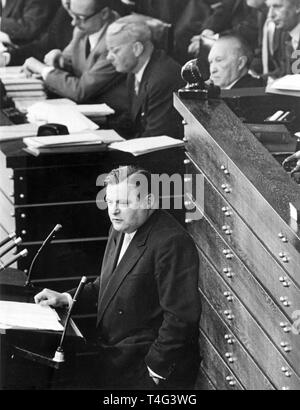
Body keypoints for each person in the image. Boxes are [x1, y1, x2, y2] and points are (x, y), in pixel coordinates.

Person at [34, 165, 201, 390]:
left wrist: (154, 370)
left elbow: (180, 317)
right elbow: (111, 284)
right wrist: (66, 298)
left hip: (144, 368)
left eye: (123, 203)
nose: (113, 211)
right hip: (115, 358)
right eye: (110, 202)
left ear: (149, 201)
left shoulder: (170, 242)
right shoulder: (120, 228)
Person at [22, 0, 128, 112]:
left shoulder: (115, 42)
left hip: (114, 117)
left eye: (81, 17)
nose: (74, 23)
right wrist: (58, 60)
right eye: (73, 15)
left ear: (104, 13)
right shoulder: (82, 30)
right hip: (85, 107)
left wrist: (42, 69)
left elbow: (80, 91)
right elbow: (68, 61)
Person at [105, 18, 185, 139]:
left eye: (115, 50)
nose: (108, 57)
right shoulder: (134, 70)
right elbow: (133, 118)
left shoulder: (162, 79)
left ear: (137, 49)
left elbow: (156, 138)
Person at [0, 0, 73, 67]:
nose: (74, 22)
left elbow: (28, 29)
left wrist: (45, 71)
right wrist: (7, 57)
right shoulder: (65, 11)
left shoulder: (73, 10)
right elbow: (45, 46)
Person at [264, 0, 300, 79]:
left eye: (277, 7)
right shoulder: (283, 34)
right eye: (269, 8)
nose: (270, 15)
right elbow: (284, 71)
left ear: (298, 6)